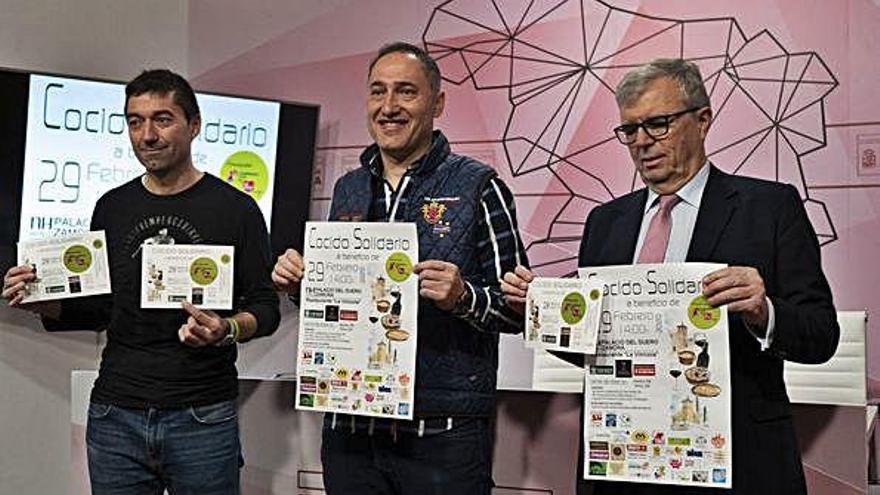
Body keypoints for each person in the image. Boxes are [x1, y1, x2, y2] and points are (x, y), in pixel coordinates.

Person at [501, 58, 839, 495]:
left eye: (658, 124)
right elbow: (596, 351)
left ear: (702, 120)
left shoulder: (770, 208)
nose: (642, 141)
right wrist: (544, 314)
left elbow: (821, 335)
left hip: (734, 462)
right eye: (630, 130)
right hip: (623, 461)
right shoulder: (605, 222)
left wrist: (764, 311)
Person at [2, 69, 280, 494]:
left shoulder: (237, 209)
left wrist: (226, 329)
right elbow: (100, 308)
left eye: (162, 119)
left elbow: (265, 306)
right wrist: (41, 301)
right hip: (116, 414)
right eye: (135, 121)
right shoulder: (112, 207)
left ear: (194, 124)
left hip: (201, 415)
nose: (146, 135)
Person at [272, 41, 527, 495]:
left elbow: (517, 310)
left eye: (406, 92)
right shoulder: (348, 188)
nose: (389, 107)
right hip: (351, 434)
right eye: (378, 92)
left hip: (442, 437)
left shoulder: (479, 187)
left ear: (438, 103)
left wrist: (463, 296)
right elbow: (343, 303)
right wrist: (301, 284)